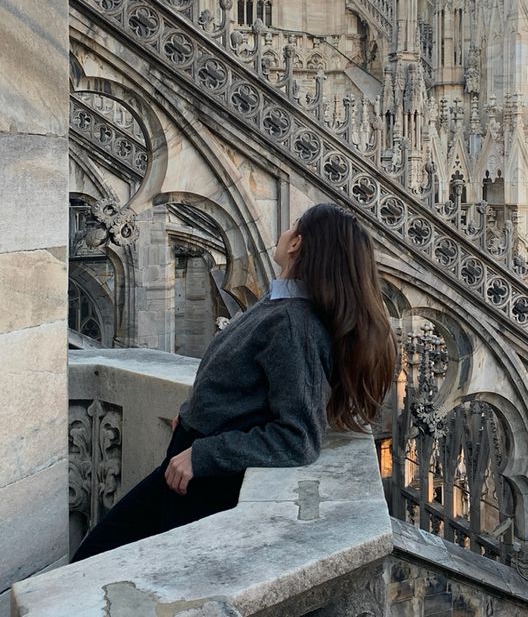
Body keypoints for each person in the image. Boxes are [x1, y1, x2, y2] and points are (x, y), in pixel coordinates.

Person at [72, 203, 397, 561]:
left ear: (296, 244)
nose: (283, 231)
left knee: (95, 560)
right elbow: (247, 384)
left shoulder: (292, 324)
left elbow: (298, 439)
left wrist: (205, 453)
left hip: (205, 482)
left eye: (291, 226)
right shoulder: (281, 303)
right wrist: (195, 412)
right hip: (192, 466)